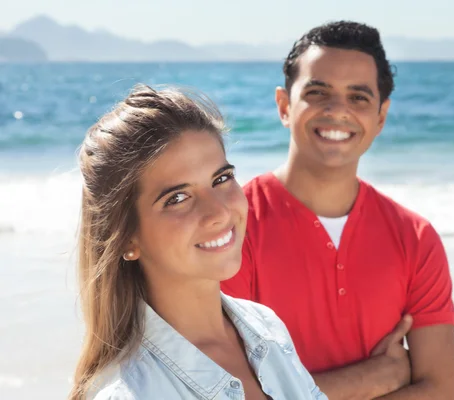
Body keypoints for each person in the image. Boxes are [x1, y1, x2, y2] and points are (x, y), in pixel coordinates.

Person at [222, 21, 454, 399]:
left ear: (381, 116)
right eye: (318, 93)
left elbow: (441, 392)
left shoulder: (415, 238)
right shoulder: (231, 225)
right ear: (284, 105)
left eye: (359, 97)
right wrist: (377, 377)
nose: (337, 111)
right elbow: (224, 393)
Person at [69, 84, 326, 400]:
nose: (218, 212)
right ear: (125, 239)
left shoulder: (268, 328)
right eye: (177, 198)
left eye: (221, 179)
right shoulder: (129, 394)